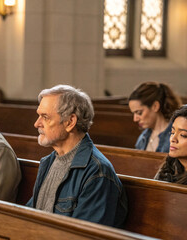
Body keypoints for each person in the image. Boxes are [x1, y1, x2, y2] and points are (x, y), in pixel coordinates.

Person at [26, 84, 127, 227]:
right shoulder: (48, 162)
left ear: (70, 122)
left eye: (45, 117)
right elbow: (30, 217)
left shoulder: (97, 173)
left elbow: (85, 235)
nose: (37, 124)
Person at [128, 82, 182, 152]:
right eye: (133, 114)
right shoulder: (143, 137)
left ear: (155, 106)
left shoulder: (175, 137)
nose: (135, 119)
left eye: (139, 113)